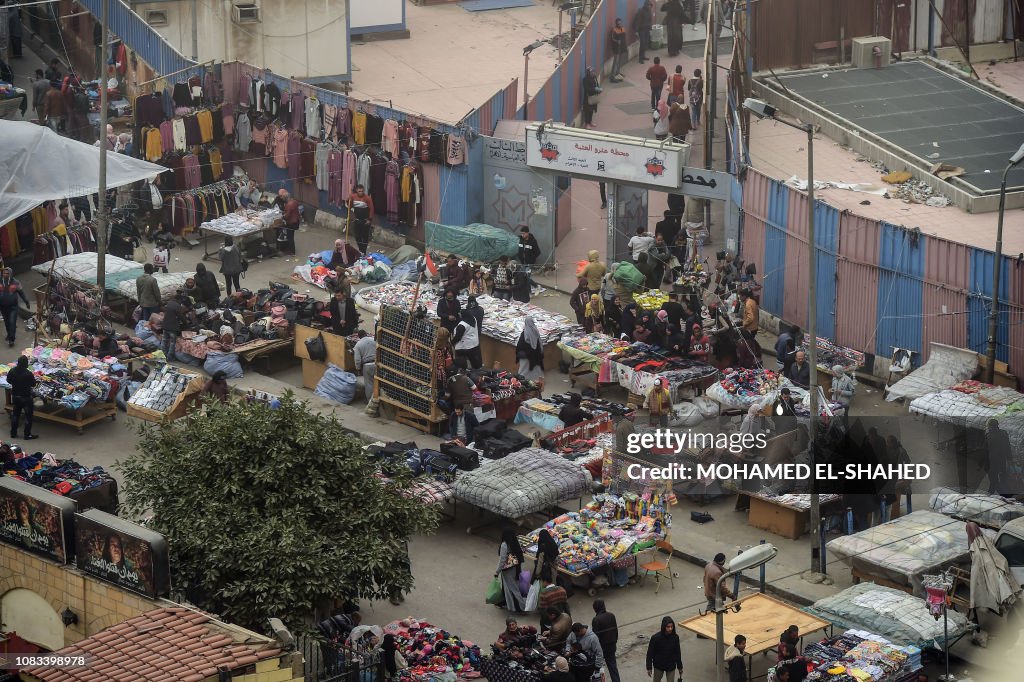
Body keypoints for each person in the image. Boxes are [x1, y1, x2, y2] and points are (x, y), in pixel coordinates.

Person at [496, 527, 526, 612]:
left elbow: (502, 560)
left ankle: (520, 607)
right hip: (515, 568)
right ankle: (504, 603)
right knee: (512, 587)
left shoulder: (504, 545)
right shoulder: (515, 542)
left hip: (507, 570)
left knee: (512, 588)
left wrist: (497, 572)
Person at [7, 356, 37, 440]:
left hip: (16, 396)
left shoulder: (12, 371)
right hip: (26, 397)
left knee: (15, 415)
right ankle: (27, 435)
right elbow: (33, 384)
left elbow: (8, 380)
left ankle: (13, 433)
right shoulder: (28, 373)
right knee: (28, 416)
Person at [646, 617, 683, 682]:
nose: (670, 629)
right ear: (664, 627)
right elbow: (650, 653)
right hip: (659, 665)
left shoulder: (675, 638)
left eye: (672, 627)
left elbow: (677, 653)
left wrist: (680, 667)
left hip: (671, 665)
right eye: (668, 627)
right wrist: (649, 667)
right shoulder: (655, 638)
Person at [984, 418, 1015, 495]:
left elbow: (985, 452)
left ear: (990, 426)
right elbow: (1008, 447)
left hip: (992, 462)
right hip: (1002, 461)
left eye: (988, 426)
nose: (987, 427)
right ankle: (999, 493)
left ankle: (993, 493)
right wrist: (1010, 459)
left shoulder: (988, 436)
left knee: (993, 480)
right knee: (1001, 478)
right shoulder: (1004, 433)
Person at [592, 600, 620, 682]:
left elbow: (596, 637)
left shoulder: (596, 619)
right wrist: (615, 641)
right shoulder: (611, 615)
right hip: (612, 645)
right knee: (612, 666)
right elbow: (615, 630)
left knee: (598, 668)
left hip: (602, 647)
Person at [0, 269, 29, 348]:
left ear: (10, 274)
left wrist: (26, 301)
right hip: (2, 307)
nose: (5, 275)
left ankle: (11, 340)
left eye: (7, 273)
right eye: (3, 273)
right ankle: (9, 334)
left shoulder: (16, 282)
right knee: (6, 322)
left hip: (13, 307)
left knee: (12, 322)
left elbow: (21, 293)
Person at [517, 317, 545, 389]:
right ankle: (537, 381)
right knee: (536, 370)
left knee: (524, 370)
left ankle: (523, 381)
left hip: (526, 357)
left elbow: (520, 345)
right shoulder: (536, 331)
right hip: (536, 356)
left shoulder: (524, 333)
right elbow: (539, 343)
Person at [348, 185, 374, 255]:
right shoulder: (353, 197)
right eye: (359, 191)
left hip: (365, 220)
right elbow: (349, 207)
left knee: (365, 236)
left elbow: (371, 209)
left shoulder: (367, 198)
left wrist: (369, 219)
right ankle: (360, 249)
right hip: (357, 220)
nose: (361, 192)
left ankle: (364, 251)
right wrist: (349, 200)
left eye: (362, 191)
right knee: (357, 236)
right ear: (356, 191)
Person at [352, 329, 377, 401]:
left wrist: (358, 369)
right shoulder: (373, 340)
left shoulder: (358, 345)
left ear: (359, 337)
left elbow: (357, 359)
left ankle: (370, 400)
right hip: (376, 363)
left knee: (369, 384)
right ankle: (378, 398)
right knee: (377, 382)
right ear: (366, 334)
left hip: (367, 366)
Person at [279, 190, 301, 256]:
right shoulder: (294, 201)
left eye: (282, 197)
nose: (281, 198)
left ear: (285, 198)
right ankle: (291, 250)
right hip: (296, 221)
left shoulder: (288, 205)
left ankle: (292, 252)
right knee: (291, 236)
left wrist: (282, 216)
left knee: (290, 237)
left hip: (291, 223)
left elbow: (287, 216)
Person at [161, 296, 182, 362]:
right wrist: (185, 322)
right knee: (172, 343)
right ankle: (169, 358)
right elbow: (180, 316)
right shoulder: (177, 306)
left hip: (165, 325)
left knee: (164, 341)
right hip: (172, 327)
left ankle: (163, 356)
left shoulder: (168, 304)